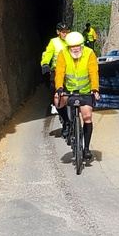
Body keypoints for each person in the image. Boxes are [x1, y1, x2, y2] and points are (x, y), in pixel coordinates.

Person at [54, 31, 101, 162]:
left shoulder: (89, 53)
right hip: (69, 90)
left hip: (85, 91)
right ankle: (67, 123)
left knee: (87, 117)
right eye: (72, 46)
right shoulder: (63, 54)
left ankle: (86, 148)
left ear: (82, 45)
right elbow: (60, 72)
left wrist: (95, 89)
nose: (75, 48)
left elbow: (93, 72)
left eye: (78, 45)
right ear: (68, 46)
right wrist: (59, 88)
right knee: (57, 100)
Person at [40, 23, 70, 122]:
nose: (65, 34)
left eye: (67, 31)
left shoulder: (72, 40)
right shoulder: (54, 42)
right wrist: (45, 64)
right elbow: (48, 54)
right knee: (55, 92)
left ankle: (74, 114)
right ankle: (66, 121)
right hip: (56, 70)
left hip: (71, 71)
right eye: (63, 32)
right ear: (58, 32)